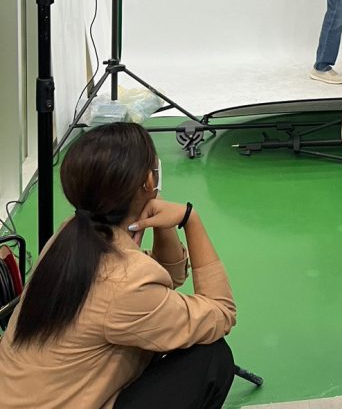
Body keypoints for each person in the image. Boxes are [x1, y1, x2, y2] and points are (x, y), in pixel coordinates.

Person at [0, 122, 236, 409]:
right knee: (211, 358)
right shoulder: (126, 282)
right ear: (148, 180)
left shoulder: (70, 234)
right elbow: (221, 313)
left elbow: (167, 277)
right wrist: (190, 218)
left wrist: (160, 221)